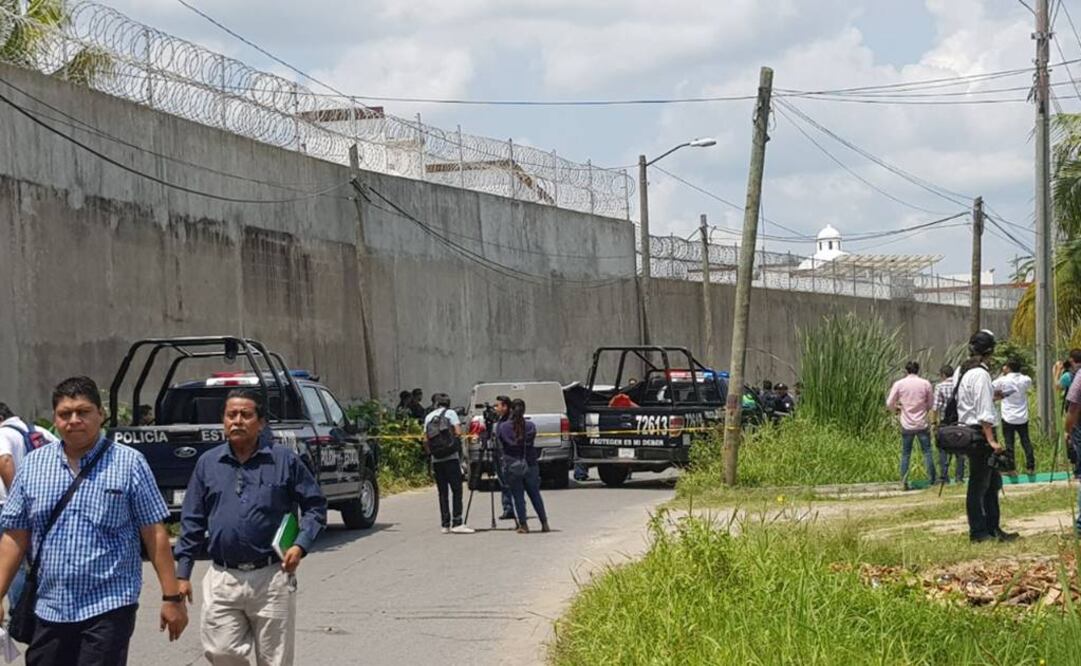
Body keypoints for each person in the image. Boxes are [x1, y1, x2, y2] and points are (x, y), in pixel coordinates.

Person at [0, 376, 187, 664]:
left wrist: (171, 597)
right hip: (49, 606)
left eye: (83, 412)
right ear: (55, 419)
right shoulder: (33, 466)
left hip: (109, 605)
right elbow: (15, 537)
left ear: (100, 415)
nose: (74, 420)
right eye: (65, 414)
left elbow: (154, 533)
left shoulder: (129, 462)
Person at [174, 388, 326, 666]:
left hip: (272, 576)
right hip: (223, 577)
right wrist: (182, 574)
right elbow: (192, 521)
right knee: (221, 652)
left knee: (275, 660)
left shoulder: (284, 461)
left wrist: (300, 545)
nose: (237, 421)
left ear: (261, 422)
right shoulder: (208, 464)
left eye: (246, 415)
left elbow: (315, 507)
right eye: (231, 415)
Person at [954, 331, 1017, 543]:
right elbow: (982, 411)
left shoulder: (962, 370)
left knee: (992, 483)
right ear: (990, 351)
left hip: (970, 430)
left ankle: (993, 527)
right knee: (980, 484)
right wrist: (991, 439)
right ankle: (979, 532)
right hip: (980, 433)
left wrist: (993, 395)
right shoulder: (980, 374)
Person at [0, 403, 59, 608]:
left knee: (12, 561)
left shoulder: (3, 433)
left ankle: (20, 610)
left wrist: (18, 497)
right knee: (37, 557)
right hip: (44, 506)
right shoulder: (40, 432)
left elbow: (5, 461)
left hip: (7, 506)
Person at [497, 399, 550, 534]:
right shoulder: (531, 426)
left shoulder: (504, 427)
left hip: (512, 463)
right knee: (535, 494)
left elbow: (501, 442)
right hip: (530, 463)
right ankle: (544, 523)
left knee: (518, 496)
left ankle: (523, 524)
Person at [424, 393, 474, 534]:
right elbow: (458, 432)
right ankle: (457, 522)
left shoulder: (428, 417)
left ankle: (445, 524)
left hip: (436, 460)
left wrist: (432, 454)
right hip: (451, 458)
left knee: (442, 492)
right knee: (457, 490)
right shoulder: (451, 413)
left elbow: (425, 440)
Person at [886, 361, 936, 490]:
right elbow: (931, 404)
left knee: (905, 454)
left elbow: (889, 403)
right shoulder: (925, 383)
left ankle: (903, 481)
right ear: (918, 370)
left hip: (907, 424)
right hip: (922, 423)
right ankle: (932, 480)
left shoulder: (899, 384)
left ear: (906, 370)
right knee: (927, 452)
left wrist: (897, 409)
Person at [993, 359, 1034, 475]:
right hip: (1022, 416)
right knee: (1025, 441)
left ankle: (1011, 469)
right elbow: (1027, 385)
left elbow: (991, 387)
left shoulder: (1002, 380)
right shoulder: (1026, 379)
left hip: (1008, 416)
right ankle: (1031, 467)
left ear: (1009, 368)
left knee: (1009, 443)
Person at [931, 365, 965, 484]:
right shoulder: (961, 385)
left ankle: (944, 477)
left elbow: (935, 407)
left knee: (943, 449)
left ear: (943, 375)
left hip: (945, 422)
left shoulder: (940, 386)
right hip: (959, 421)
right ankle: (959, 477)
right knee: (960, 449)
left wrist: (934, 423)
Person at [487, 395, 515, 520]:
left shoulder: (510, 420)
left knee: (510, 482)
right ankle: (508, 508)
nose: (495, 408)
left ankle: (514, 507)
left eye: (497, 405)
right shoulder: (500, 419)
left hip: (507, 455)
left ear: (505, 406)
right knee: (503, 483)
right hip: (498, 453)